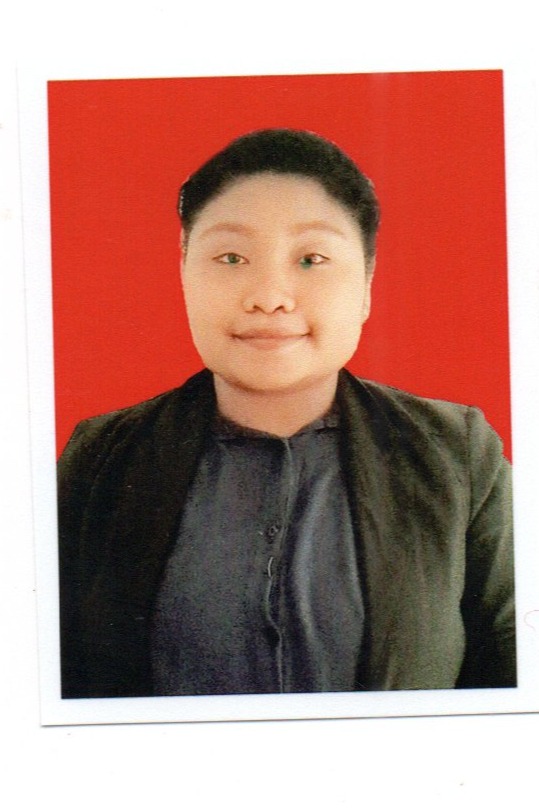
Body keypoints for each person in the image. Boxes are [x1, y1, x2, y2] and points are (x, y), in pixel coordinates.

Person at [58, 129, 516, 699]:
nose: (270, 296)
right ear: (184, 271)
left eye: (311, 259)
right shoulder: (99, 459)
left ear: (367, 284)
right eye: (231, 258)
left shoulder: (457, 455)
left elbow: (514, 674)